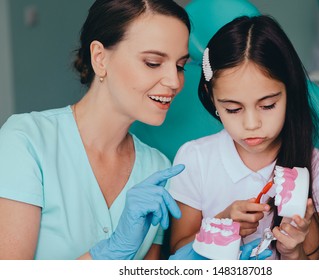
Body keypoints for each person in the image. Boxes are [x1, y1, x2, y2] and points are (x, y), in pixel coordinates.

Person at [0, 0, 191, 260]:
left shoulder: (158, 169)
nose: (174, 81)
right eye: (153, 62)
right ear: (100, 58)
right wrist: (109, 252)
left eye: (180, 66)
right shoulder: (25, 141)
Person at [169, 15, 319, 260]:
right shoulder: (194, 159)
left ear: (289, 93)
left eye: (268, 105)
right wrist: (221, 226)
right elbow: (178, 252)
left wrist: (293, 250)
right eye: (233, 109)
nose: (252, 125)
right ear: (211, 97)